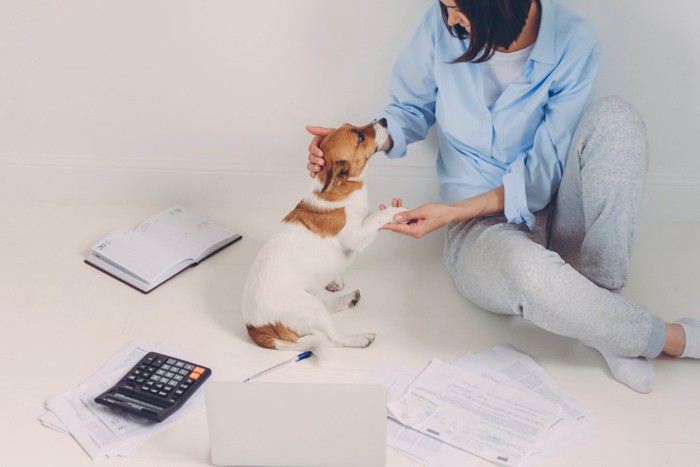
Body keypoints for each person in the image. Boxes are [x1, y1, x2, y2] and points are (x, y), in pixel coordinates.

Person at [305, 0, 699, 393]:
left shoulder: (574, 42)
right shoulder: (441, 26)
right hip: (478, 232)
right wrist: (357, 143)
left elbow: (543, 177)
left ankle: (603, 309)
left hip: (556, 209)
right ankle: (670, 338)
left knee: (618, 119)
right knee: (522, 269)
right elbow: (409, 108)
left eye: (459, 8)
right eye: (445, 6)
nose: (451, 18)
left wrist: (449, 210)